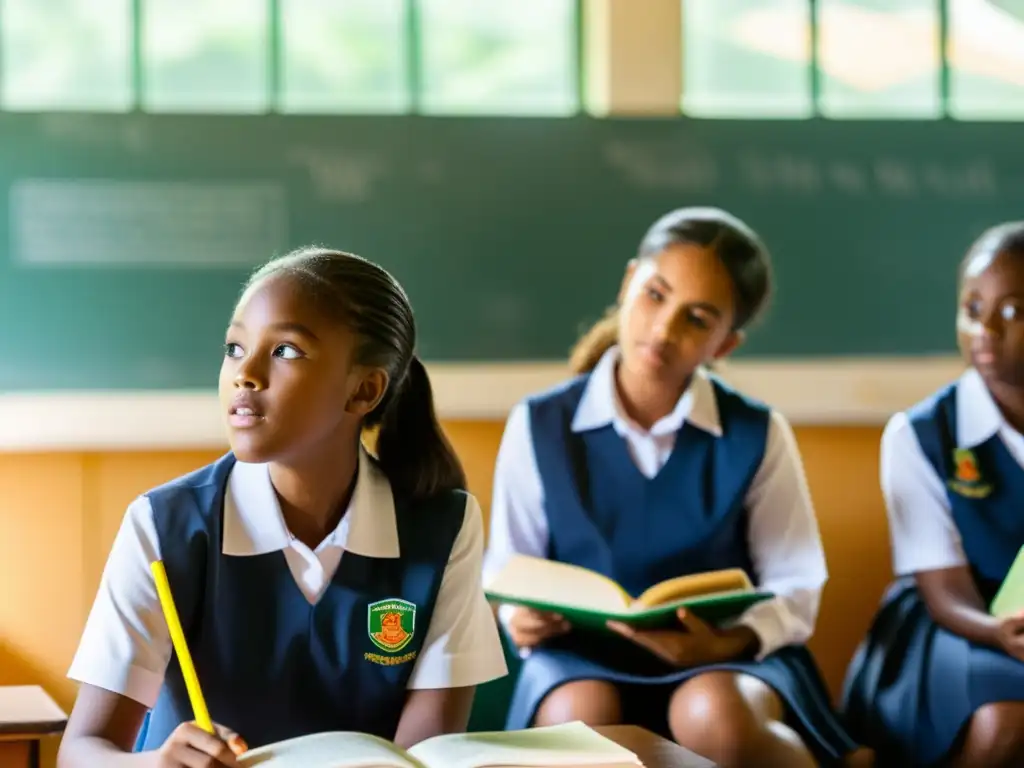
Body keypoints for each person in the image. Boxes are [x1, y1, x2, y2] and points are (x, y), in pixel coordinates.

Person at [57, 247, 508, 767]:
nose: (245, 373)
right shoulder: (164, 526)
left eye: (286, 351)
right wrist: (153, 764)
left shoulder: (443, 527)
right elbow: (81, 753)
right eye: (233, 347)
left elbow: (425, 756)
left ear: (364, 390)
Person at [482, 207, 870, 768]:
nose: (663, 329)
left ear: (724, 345)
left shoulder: (756, 432)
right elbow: (506, 565)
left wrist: (728, 644)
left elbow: (797, 580)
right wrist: (515, 614)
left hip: (723, 654)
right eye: (655, 295)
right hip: (579, 655)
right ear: (628, 283)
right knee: (581, 720)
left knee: (714, 716)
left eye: (697, 318)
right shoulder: (539, 423)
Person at [842, 222, 1024, 767]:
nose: (985, 329)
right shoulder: (920, 433)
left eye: (1012, 311)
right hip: (956, 625)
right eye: (972, 308)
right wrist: (1001, 631)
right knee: (1006, 717)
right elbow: (942, 586)